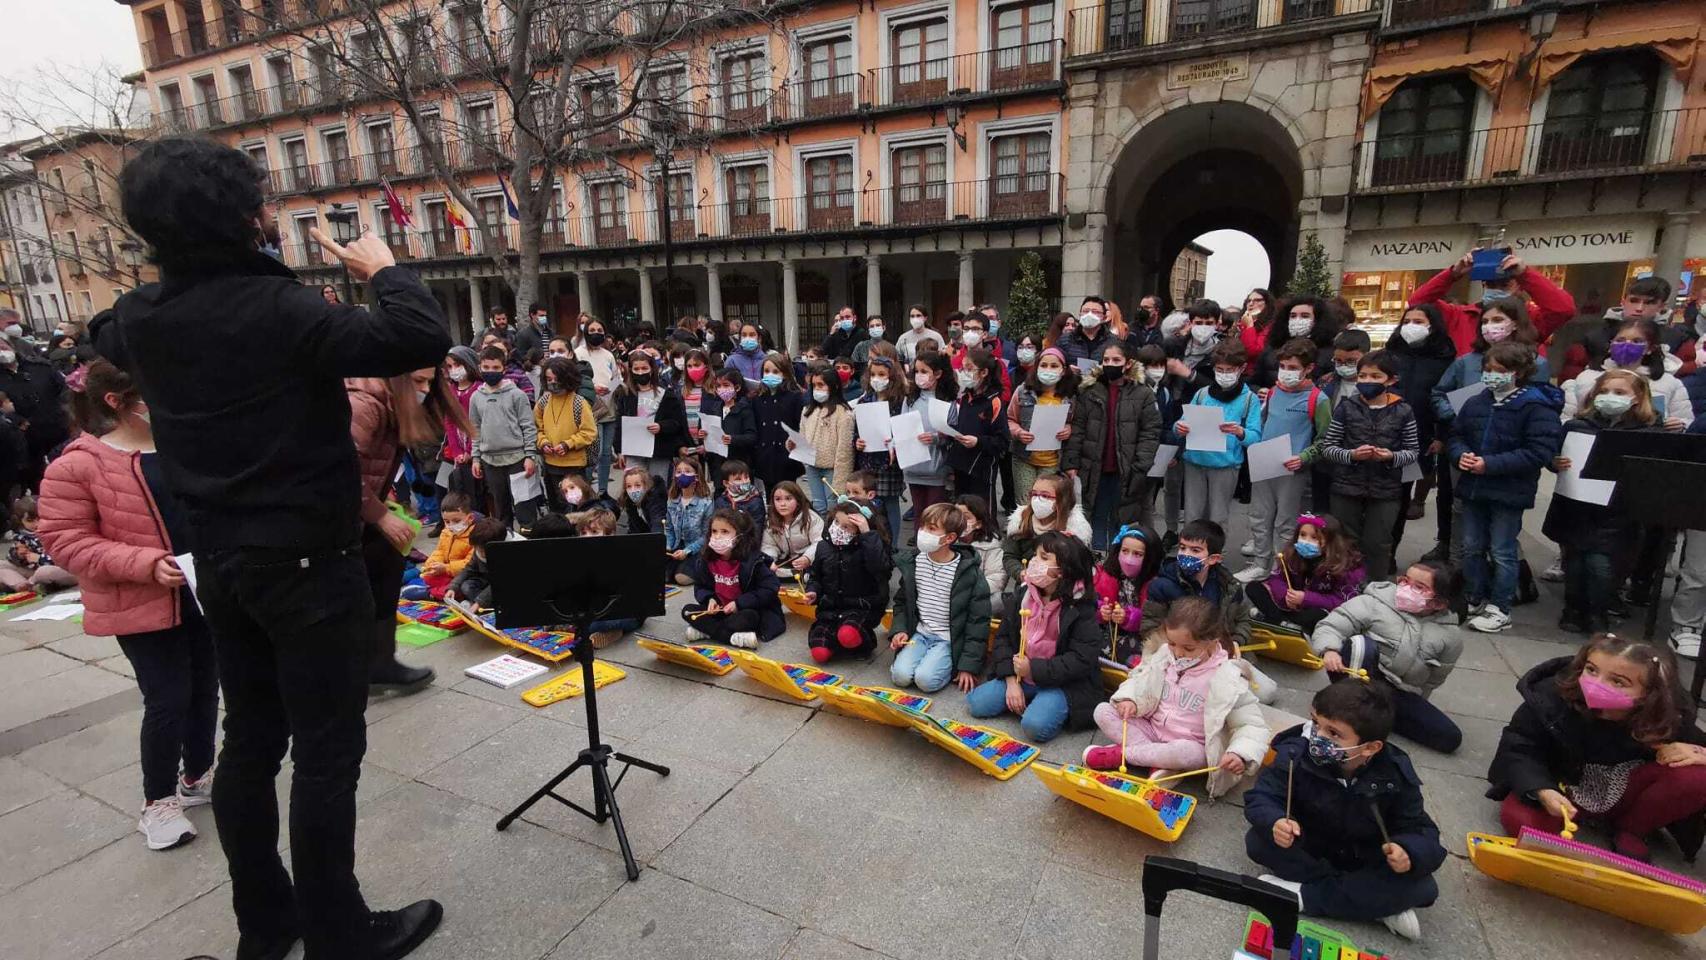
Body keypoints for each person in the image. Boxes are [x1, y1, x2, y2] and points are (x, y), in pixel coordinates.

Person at [93, 137, 447, 959]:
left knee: (251, 740)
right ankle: (337, 932)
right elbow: (414, 331)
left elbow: (102, 325)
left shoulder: (141, 318)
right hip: (306, 563)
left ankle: (267, 922)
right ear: (245, 216)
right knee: (328, 751)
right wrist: (382, 267)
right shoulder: (281, 311)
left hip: (219, 561)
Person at [37, 359, 215, 851]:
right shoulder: (78, 464)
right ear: (116, 401)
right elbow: (64, 540)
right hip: (139, 600)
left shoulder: (180, 446)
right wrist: (142, 562)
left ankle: (197, 775)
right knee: (167, 699)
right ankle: (157, 802)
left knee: (205, 688)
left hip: (200, 592)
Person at [1244, 681, 1446, 942]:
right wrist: (1276, 820)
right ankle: (1374, 906)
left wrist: (1408, 851)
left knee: (1424, 887)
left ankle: (1303, 896)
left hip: (1363, 856)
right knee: (1258, 842)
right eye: (1316, 723)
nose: (1317, 737)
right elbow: (1263, 795)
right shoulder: (1295, 752)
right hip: (1311, 846)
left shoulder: (1394, 774)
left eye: (1334, 733)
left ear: (1370, 747)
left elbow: (1421, 829)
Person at [1490, 634, 1706, 862]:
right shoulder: (1552, 698)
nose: (1597, 684)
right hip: (1564, 788)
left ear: (1649, 694)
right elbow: (1519, 746)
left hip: (1626, 791)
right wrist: (1542, 790)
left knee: (1697, 776)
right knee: (1522, 820)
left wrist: (1699, 753)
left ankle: (1632, 830)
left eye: (1618, 682)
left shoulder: (1666, 716)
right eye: (1591, 670)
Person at [1084, 595, 1270, 791]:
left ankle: (1124, 755)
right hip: (1151, 729)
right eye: (1172, 643)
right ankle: (1159, 763)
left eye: (1188, 648)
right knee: (1102, 711)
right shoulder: (1165, 654)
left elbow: (1251, 725)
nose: (1178, 653)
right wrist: (1130, 699)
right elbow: (1140, 678)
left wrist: (1240, 753)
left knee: (1187, 753)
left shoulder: (1228, 677)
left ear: (1212, 642)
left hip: (1189, 744)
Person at [1449, 342, 1563, 633]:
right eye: (1488, 369)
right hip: (1474, 486)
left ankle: (1500, 606)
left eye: (1499, 371)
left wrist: (1491, 464)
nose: (1491, 376)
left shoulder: (1536, 406)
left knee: (1502, 550)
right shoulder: (1477, 401)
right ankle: (1474, 596)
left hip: (1509, 490)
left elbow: (1539, 451)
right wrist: (1460, 453)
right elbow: (1457, 435)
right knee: (1471, 546)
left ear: (1518, 372)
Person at [1544, 371, 1667, 634]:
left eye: (1620, 393)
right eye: (1604, 391)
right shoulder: (1578, 425)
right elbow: (1554, 454)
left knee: (1600, 565)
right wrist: (1554, 462)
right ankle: (1573, 608)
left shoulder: (1648, 431)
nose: (1610, 397)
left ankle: (1597, 612)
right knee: (1575, 562)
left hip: (1617, 512)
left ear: (1637, 398)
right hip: (1577, 507)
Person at [1309, 559, 1464, 753]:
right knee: (1360, 644)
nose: (1406, 588)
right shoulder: (1375, 601)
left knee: (1449, 737)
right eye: (1405, 580)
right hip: (1359, 675)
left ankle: (1377, 718)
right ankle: (1347, 711)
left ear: (1439, 603)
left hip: (1398, 692)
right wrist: (1329, 650)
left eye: (1418, 587)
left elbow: (1434, 680)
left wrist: (1416, 704)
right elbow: (1332, 625)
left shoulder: (1450, 636)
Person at [966, 531, 1102, 743]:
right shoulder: (1024, 595)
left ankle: (1044, 703)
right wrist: (1011, 680)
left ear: (1063, 571)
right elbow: (1003, 638)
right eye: (1036, 555)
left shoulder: (1081, 607)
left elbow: (1081, 660)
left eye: (1044, 558)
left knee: (1034, 727)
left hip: (1063, 683)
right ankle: (1029, 698)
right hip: (1021, 674)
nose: (1034, 562)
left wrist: (1033, 669)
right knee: (976, 703)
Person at [1320, 350, 1420, 582]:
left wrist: (1391, 457)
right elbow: (1329, 447)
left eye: (1375, 377)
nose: (1367, 381)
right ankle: (1344, 586)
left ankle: (1376, 588)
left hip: (1386, 487)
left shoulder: (1403, 410)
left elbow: (1412, 451)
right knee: (1345, 540)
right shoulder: (1346, 408)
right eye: (1363, 376)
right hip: (1347, 485)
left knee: (1378, 542)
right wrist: (1352, 455)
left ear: (1391, 380)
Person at [1239, 338, 1332, 582]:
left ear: (1308, 368)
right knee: (1259, 516)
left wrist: (1303, 457)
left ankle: (1281, 567)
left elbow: (1325, 440)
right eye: (1283, 366)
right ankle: (1260, 562)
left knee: (1285, 522)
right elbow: (1262, 423)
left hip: (1292, 469)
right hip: (1264, 463)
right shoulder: (1272, 391)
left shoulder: (1318, 400)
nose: (1286, 373)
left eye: (1292, 368)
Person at [1065, 342, 1162, 547]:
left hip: (1127, 468)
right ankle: (1098, 559)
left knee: (1122, 518)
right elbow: (1078, 428)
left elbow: (1150, 432)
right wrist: (1072, 462)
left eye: (1116, 360)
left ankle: (1118, 562)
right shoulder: (1089, 391)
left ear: (1128, 364)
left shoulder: (1143, 393)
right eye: (1106, 360)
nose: (1110, 364)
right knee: (1096, 515)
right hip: (1093, 468)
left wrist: (1140, 466)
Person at [889, 502, 993, 693]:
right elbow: (902, 602)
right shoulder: (914, 562)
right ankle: (924, 658)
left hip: (949, 640)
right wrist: (900, 630)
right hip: (920, 634)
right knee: (900, 677)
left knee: (926, 681)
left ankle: (941, 663)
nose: (923, 532)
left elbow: (978, 622)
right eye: (922, 526)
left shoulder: (969, 573)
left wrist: (968, 667)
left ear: (950, 538)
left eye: (931, 529)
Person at [1384, 304, 1458, 549]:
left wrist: (1441, 436)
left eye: (1419, 321)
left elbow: (1447, 400)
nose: (1411, 326)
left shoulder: (1445, 359)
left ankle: (1391, 551)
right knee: (1383, 494)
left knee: (1402, 496)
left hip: (1420, 437)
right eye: (1407, 321)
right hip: (1384, 434)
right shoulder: (1392, 354)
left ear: (1432, 325)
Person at [1409, 249, 1576, 353]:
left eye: (1504, 284)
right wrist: (1454, 273)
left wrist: (1525, 274)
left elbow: (1564, 309)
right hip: (1465, 397)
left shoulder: (1529, 318)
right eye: (1489, 284)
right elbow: (1418, 302)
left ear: (1519, 286)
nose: (1496, 289)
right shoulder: (1460, 315)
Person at [1175, 342, 1263, 528]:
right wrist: (1180, 427)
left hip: (1225, 465)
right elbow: (1182, 422)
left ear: (1241, 369)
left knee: (1218, 517)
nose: (1224, 374)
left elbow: (1255, 436)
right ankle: (1189, 552)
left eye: (1229, 370)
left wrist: (1240, 432)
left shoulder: (1249, 399)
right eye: (1220, 369)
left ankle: (1215, 554)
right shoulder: (1202, 394)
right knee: (1192, 515)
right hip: (1195, 462)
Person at [1560, 316, 1691, 429]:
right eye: (1620, 340)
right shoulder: (1586, 378)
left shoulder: (1668, 383)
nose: (1627, 345)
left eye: (1637, 341)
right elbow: (1565, 419)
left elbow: (1687, 421)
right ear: (1610, 345)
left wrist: (1681, 424)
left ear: (1651, 348)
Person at [802, 500, 893, 663]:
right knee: (819, 653)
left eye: (846, 527)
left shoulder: (867, 546)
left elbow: (880, 568)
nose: (838, 529)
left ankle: (862, 644)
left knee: (848, 634)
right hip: (830, 608)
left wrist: (867, 534)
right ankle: (837, 641)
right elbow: (815, 575)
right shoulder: (824, 546)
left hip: (859, 607)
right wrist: (813, 591)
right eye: (836, 522)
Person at [681, 507, 784, 649]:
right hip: (720, 610)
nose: (717, 536)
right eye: (714, 531)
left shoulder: (753, 560)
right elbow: (701, 586)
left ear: (739, 537)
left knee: (748, 618)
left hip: (746, 610)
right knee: (687, 611)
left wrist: (739, 603)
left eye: (725, 532)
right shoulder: (706, 559)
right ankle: (731, 637)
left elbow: (770, 588)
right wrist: (710, 599)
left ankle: (708, 632)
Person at [1141, 519, 1252, 648]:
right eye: (1182, 548)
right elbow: (1149, 627)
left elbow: (1243, 621)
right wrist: (1178, 647)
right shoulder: (1161, 586)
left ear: (1213, 559)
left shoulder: (1229, 586)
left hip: (1220, 652)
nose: (1186, 554)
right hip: (1176, 654)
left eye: (1195, 550)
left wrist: (1236, 642)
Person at [1248, 513, 1366, 634]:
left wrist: (1305, 598)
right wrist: (1285, 596)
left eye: (1314, 537)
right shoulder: (1292, 554)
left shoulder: (1344, 566)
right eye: (1302, 535)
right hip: (1291, 606)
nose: (1306, 541)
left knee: (1317, 615)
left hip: (1317, 608)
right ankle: (1283, 622)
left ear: (1330, 541)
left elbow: (1342, 601)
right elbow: (1276, 578)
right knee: (1254, 588)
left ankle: (1277, 620)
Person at [470, 346, 543, 528]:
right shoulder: (475, 397)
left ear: (504, 369)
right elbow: (475, 429)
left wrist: (530, 456)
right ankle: (506, 545)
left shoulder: (517, 395)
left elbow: (528, 427)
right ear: (480, 368)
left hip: (518, 459)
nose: (490, 371)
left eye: (495, 368)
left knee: (524, 508)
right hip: (490, 461)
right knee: (501, 511)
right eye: (486, 368)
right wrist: (476, 457)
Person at [1557, 276, 1679, 383]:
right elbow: (1571, 377)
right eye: (1634, 300)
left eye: (1649, 303)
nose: (1639, 308)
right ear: (1623, 301)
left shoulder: (1675, 338)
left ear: (1661, 306)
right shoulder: (1593, 334)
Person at [0, 328, 69, 492]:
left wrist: (64, 412)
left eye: (3, 346)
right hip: (27, 442)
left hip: (58, 431)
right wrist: (14, 419)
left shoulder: (40, 367)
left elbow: (64, 391)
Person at [1009, 345, 1078, 506]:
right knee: (1025, 503)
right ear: (1037, 367)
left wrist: (1069, 429)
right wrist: (1018, 432)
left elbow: (1075, 422)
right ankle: (1025, 531)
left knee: (1046, 503)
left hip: (1052, 461)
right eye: (1044, 365)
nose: (1049, 369)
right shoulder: (1023, 391)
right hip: (1024, 458)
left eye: (1054, 366)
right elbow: (1010, 419)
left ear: (1063, 370)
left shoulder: (1069, 396)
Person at [1001, 472, 1091, 586]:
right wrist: (1020, 573)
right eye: (1034, 494)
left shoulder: (1074, 530)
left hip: (1059, 588)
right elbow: (1009, 556)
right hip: (1026, 585)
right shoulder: (1021, 522)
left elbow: (1078, 565)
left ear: (1061, 500)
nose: (1037, 499)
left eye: (1045, 495)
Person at [613, 349, 688, 482]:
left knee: (658, 483)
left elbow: (677, 422)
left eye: (644, 368)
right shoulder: (625, 394)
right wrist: (619, 450)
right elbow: (620, 424)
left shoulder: (666, 394)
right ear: (631, 370)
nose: (641, 372)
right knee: (634, 482)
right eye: (636, 369)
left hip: (659, 449)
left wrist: (661, 426)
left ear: (652, 369)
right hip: (634, 449)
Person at [945, 347, 1008, 506]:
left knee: (982, 511)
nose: (964, 373)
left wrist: (978, 441)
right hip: (961, 466)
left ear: (984, 372)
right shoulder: (966, 397)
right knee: (961, 510)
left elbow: (1002, 441)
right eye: (963, 368)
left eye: (969, 369)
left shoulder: (994, 402)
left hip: (982, 469)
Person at [853, 354, 907, 539]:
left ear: (891, 376)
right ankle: (874, 539)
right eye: (873, 374)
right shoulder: (864, 401)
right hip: (868, 462)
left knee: (890, 504)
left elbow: (906, 428)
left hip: (889, 463)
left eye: (882, 374)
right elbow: (856, 430)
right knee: (870, 503)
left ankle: (892, 544)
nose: (877, 378)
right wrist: (857, 442)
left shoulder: (900, 402)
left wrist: (894, 439)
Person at [534, 356, 597, 511]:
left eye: (557, 379)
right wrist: (543, 442)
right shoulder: (543, 401)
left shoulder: (579, 402)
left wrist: (568, 444)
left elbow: (589, 432)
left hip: (574, 464)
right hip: (551, 464)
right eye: (549, 379)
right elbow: (536, 427)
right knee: (556, 506)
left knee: (577, 505)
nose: (553, 383)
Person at [1094, 523, 1162, 665]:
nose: (1129, 558)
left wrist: (1130, 617)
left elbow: (1154, 619)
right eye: (1125, 551)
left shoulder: (1155, 584)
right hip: (1108, 631)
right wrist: (1101, 611)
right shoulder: (1107, 574)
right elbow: (1092, 603)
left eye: (1138, 554)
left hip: (1139, 635)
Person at [794, 363, 856, 514]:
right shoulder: (808, 411)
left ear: (833, 386)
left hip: (832, 469)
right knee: (819, 506)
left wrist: (840, 481)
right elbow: (802, 436)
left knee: (833, 508)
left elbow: (845, 450)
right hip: (812, 467)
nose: (817, 389)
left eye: (821, 385)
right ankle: (820, 537)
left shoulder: (843, 414)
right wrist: (794, 445)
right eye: (814, 385)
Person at [900, 351, 956, 519]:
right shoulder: (910, 399)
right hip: (913, 467)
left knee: (934, 515)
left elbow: (952, 433)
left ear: (938, 373)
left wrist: (937, 437)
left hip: (936, 468)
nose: (919, 376)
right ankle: (919, 543)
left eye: (924, 371)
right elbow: (903, 427)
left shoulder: (948, 401)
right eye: (916, 371)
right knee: (919, 512)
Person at [574, 317, 621, 495]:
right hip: (591, 409)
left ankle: (603, 490)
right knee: (596, 452)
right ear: (585, 332)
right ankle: (587, 489)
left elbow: (616, 376)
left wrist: (615, 386)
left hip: (609, 406)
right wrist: (592, 387)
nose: (596, 334)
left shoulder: (608, 355)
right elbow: (576, 378)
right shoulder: (578, 353)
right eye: (592, 330)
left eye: (599, 331)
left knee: (607, 453)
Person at [1252, 296, 1337, 390]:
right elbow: (1255, 380)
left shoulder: (1329, 353)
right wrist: (1259, 390)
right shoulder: (1274, 346)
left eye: (1305, 316)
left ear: (1318, 320)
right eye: (1293, 316)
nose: (1297, 320)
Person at [751, 352, 805, 493]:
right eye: (767, 371)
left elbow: (800, 425)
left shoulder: (794, 397)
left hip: (786, 456)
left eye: (775, 371)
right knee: (770, 493)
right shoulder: (757, 398)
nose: (770, 375)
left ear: (785, 373)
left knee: (788, 492)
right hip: (765, 455)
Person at [2, 495, 77, 591]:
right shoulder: (22, 535)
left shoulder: (58, 531)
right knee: (2, 565)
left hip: (63, 570)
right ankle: (20, 585)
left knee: (44, 572)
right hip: (33, 571)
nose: (36, 524)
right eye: (30, 520)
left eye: (40, 519)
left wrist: (39, 559)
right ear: (21, 521)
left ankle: (32, 584)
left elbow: (66, 557)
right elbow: (12, 560)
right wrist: (18, 554)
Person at [409, 492, 476, 600]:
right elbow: (439, 551)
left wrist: (446, 568)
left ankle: (431, 593)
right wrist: (432, 564)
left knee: (464, 588)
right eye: (447, 521)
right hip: (448, 572)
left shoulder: (475, 536)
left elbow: (469, 564)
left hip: (464, 576)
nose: (451, 525)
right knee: (428, 577)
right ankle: (434, 591)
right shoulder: (446, 532)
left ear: (470, 518)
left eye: (456, 521)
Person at [955, 494, 1009, 617]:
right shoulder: (946, 539)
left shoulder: (992, 545)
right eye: (956, 516)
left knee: (998, 601)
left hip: (979, 596)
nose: (959, 521)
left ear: (978, 523)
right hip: (949, 596)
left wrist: (967, 592)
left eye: (966, 517)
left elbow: (996, 579)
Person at [664, 456, 713, 585]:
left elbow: (707, 535)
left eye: (687, 471)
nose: (682, 475)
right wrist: (668, 546)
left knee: (682, 579)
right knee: (662, 576)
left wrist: (687, 551)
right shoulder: (672, 501)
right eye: (679, 472)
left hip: (696, 550)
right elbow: (669, 529)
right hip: (676, 548)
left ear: (696, 476)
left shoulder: (706, 503)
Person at [760, 479, 822, 581]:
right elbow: (769, 545)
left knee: (818, 568)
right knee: (765, 568)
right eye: (778, 499)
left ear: (798, 501)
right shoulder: (770, 520)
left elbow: (819, 542)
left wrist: (807, 558)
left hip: (806, 559)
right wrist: (770, 560)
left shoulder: (811, 518)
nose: (782, 504)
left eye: (788, 499)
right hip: (785, 559)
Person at [446, 517, 506, 607]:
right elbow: (468, 569)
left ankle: (489, 604)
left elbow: (500, 581)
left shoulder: (508, 553)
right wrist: (453, 587)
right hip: (487, 580)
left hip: (507, 584)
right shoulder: (479, 548)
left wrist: (479, 603)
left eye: (482, 550)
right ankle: (484, 603)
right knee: (466, 586)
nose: (480, 552)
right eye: (478, 548)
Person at [715, 459, 767, 528]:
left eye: (746, 477)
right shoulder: (721, 501)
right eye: (738, 479)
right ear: (726, 483)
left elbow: (757, 529)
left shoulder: (755, 501)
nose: (744, 481)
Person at [618, 465, 666, 535]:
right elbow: (634, 530)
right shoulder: (630, 502)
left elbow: (657, 525)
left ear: (646, 485)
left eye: (637, 485)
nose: (633, 490)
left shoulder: (655, 499)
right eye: (629, 486)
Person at [727, 322, 769, 386]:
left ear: (759, 338)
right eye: (744, 335)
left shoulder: (767, 360)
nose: (747, 338)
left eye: (752, 335)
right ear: (740, 338)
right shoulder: (732, 361)